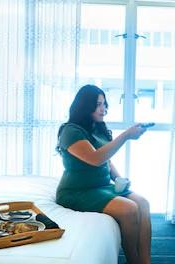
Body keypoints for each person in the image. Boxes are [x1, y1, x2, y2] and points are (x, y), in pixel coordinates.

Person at [55, 84, 151, 264]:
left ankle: (146, 262)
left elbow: (107, 161)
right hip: (77, 191)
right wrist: (126, 135)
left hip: (101, 186)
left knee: (143, 204)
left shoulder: (97, 127)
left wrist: (118, 178)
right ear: (85, 106)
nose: (104, 109)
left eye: (104, 104)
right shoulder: (70, 131)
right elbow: (95, 159)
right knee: (129, 209)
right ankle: (134, 261)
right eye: (98, 104)